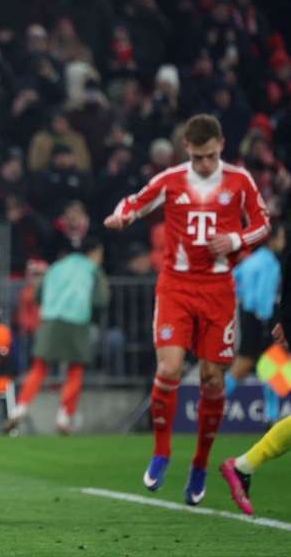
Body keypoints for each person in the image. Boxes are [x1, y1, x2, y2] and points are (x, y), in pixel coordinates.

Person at [104, 114, 270, 506]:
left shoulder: (240, 181)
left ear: (222, 145)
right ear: (187, 151)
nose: (204, 165)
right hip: (176, 286)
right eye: (198, 158)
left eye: (210, 157)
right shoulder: (172, 179)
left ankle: (199, 463)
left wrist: (235, 238)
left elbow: (263, 224)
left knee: (213, 379)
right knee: (169, 368)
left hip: (218, 290)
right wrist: (122, 215)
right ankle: (161, 452)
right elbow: (135, 201)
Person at [3, 237, 109, 435]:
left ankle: (19, 410)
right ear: (93, 252)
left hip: (50, 320)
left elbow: (37, 295)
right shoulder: (93, 270)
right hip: (77, 320)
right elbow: (101, 299)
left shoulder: (55, 267)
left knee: (39, 367)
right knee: (75, 370)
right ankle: (63, 417)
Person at [225, 225, 286, 425]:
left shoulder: (249, 261)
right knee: (263, 363)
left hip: (246, 313)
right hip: (262, 317)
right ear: (273, 240)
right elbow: (265, 294)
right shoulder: (270, 263)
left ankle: (271, 415)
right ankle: (271, 415)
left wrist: (243, 301)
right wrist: (266, 319)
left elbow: (232, 282)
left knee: (256, 363)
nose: (283, 241)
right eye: (281, 236)